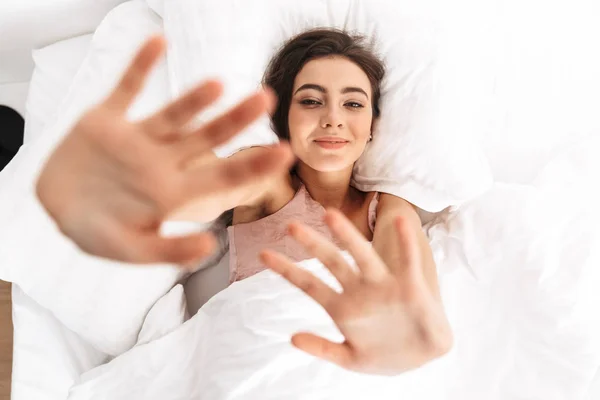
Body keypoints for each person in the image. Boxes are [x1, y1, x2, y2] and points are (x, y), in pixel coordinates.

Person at [36, 29, 452, 376]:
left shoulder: (388, 208)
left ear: (372, 125)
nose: (333, 118)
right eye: (310, 100)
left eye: (353, 103)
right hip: (254, 360)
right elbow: (195, 195)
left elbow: (420, 316)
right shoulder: (268, 177)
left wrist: (405, 346)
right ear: (284, 119)